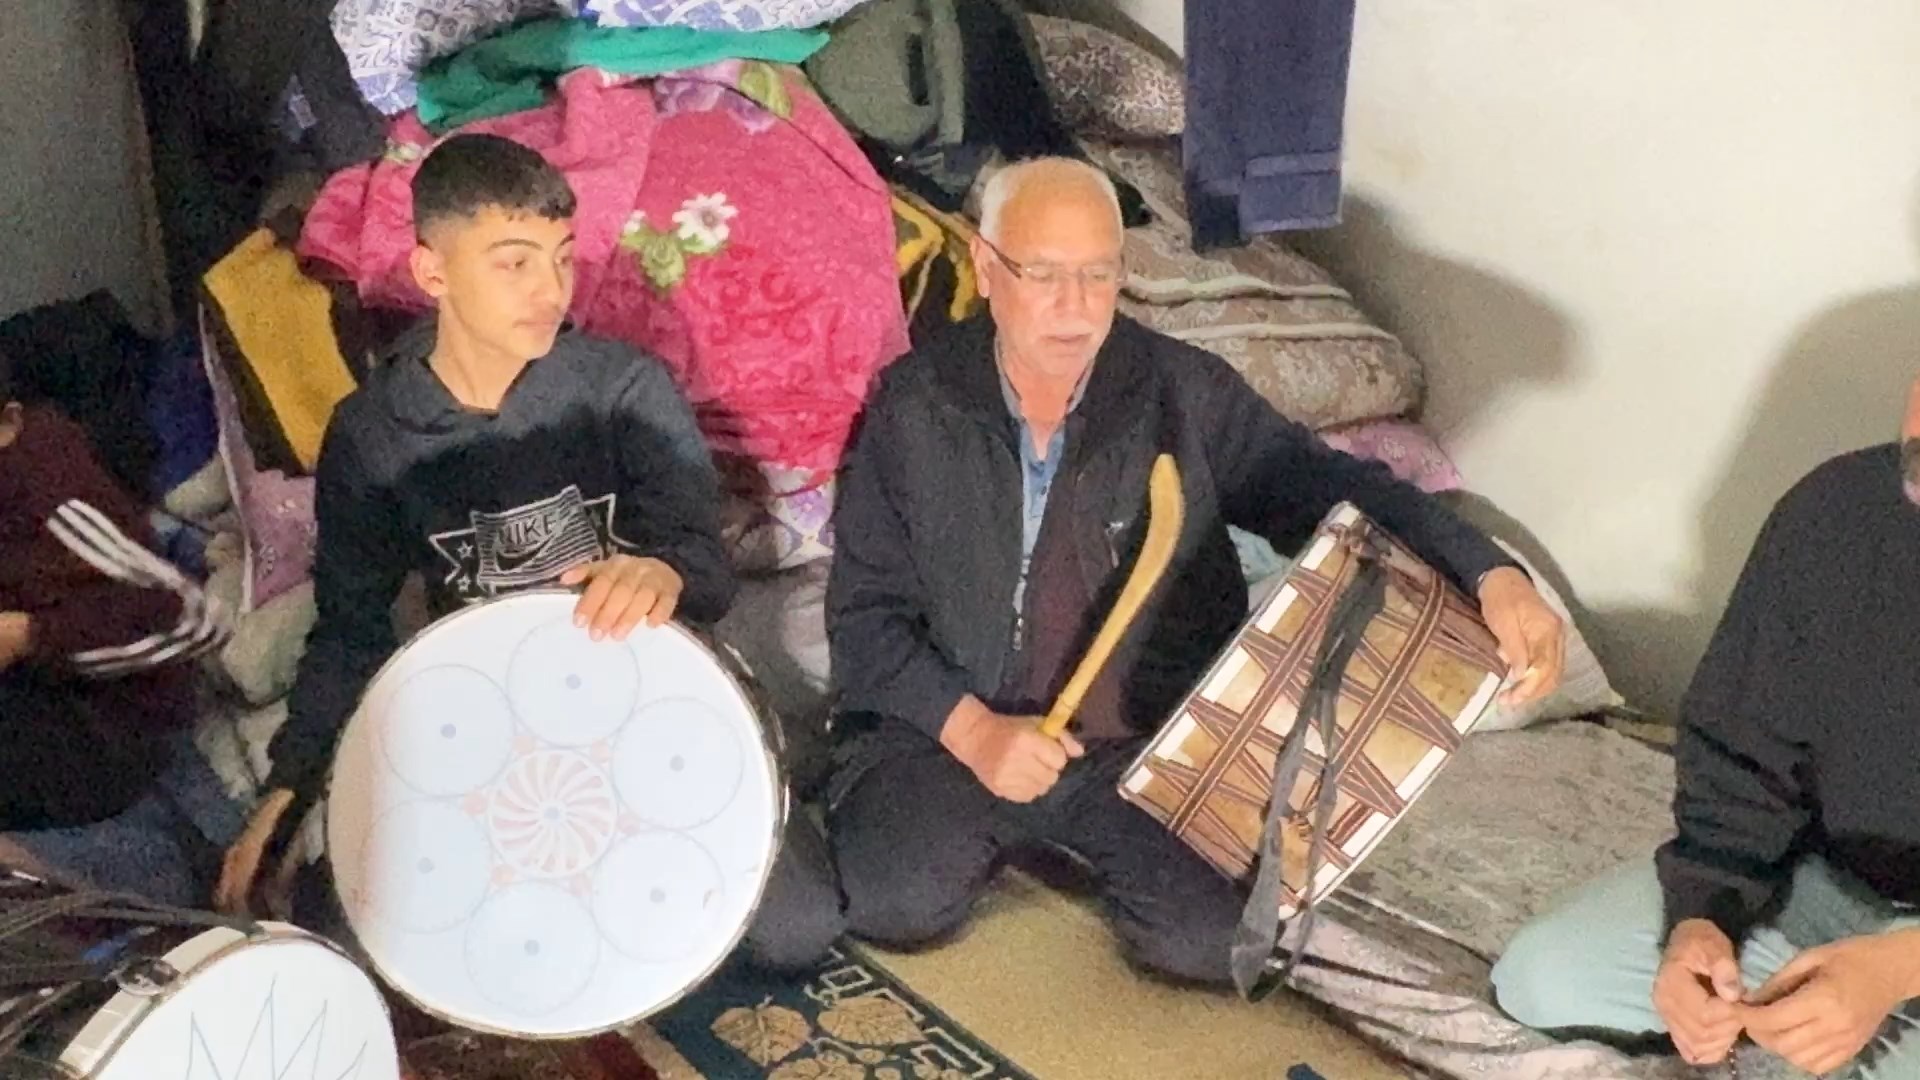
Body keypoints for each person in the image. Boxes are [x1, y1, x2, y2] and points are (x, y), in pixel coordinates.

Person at [823, 157, 1566, 985]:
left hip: (1133, 743)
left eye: (1098, 274)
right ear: (987, 268)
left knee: (1212, 943)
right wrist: (973, 731)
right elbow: (864, 619)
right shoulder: (915, 403)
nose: (1075, 306)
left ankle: (1078, 841)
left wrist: (1488, 573)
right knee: (892, 897)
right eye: (1043, 275)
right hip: (954, 731)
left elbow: (1329, 487)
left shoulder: (1182, 394)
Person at [217, 133, 844, 970]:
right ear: (433, 272)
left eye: (561, 258)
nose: (550, 290)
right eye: (513, 263)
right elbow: (350, 632)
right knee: (358, 930)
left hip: (643, 697)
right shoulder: (374, 435)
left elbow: (703, 562)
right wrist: (287, 789)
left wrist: (660, 570)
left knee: (797, 931)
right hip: (493, 721)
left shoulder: (622, 388)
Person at [1493, 432, 1920, 1078]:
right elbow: (1742, 758)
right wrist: (1701, 920)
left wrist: (1894, 969)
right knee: (1540, 978)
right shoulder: (1837, 509)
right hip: (1819, 880)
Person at [0, 346, 240, 903]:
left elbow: (193, 619)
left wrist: (30, 635)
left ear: (10, 422)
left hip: (113, 727)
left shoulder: (51, 502)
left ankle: (144, 872)